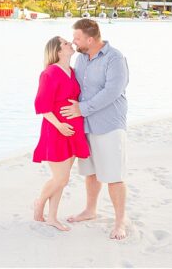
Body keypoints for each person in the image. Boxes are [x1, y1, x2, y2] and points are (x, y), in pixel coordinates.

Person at [61, 18, 129, 240]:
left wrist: (82, 109)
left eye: (77, 38)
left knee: (113, 175)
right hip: (86, 125)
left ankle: (120, 222)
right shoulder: (81, 58)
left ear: (90, 39)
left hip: (108, 124)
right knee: (91, 172)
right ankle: (90, 210)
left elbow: (113, 91)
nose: (74, 41)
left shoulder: (114, 58)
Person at [32, 36, 90, 232]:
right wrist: (59, 126)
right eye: (66, 43)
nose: (70, 44)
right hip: (56, 130)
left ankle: (52, 217)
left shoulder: (72, 72)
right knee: (61, 178)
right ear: (57, 51)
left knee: (63, 179)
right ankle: (39, 202)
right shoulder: (49, 73)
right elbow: (42, 106)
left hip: (73, 130)